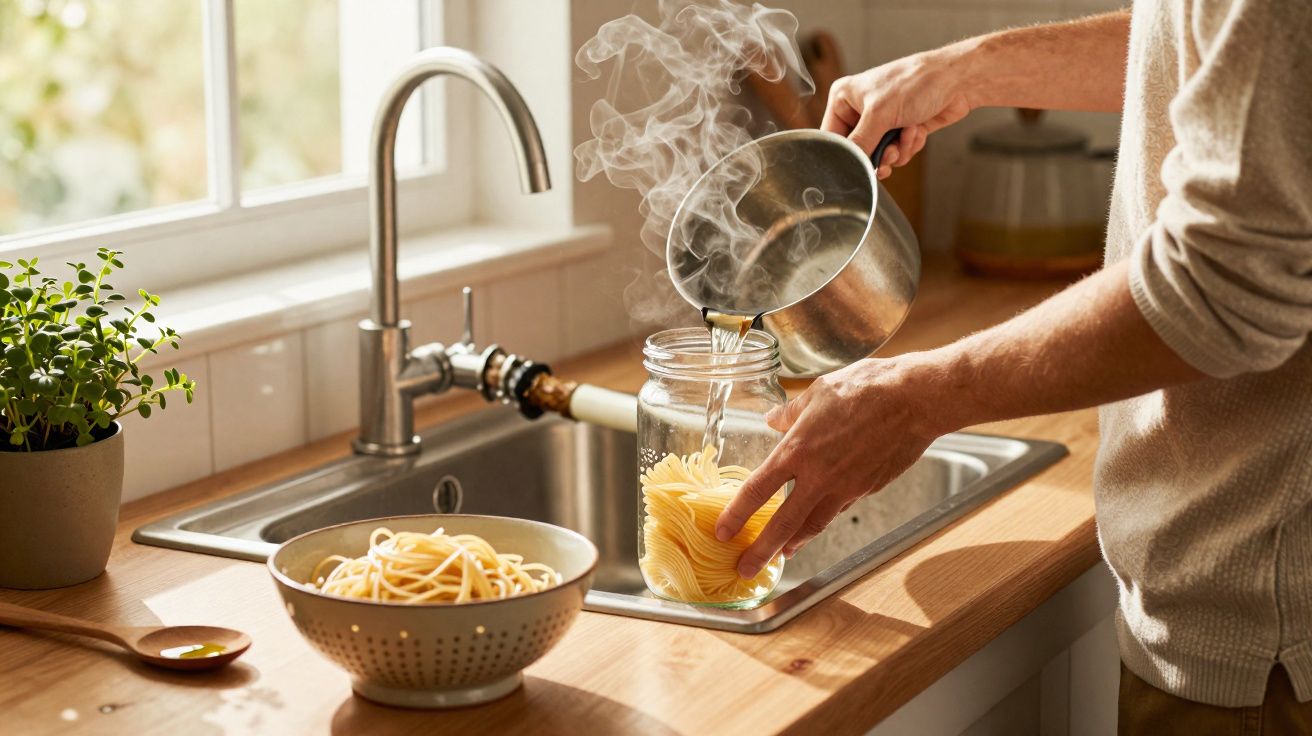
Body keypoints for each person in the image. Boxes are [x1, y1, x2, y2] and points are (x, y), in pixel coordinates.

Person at [713, 2, 1312, 732]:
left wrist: (918, 396)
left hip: (1271, 639)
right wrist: (966, 71)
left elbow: (1228, 281)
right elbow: (1228, 52)